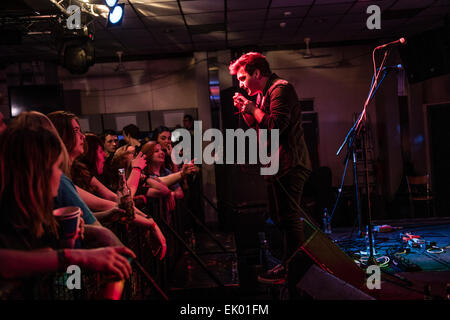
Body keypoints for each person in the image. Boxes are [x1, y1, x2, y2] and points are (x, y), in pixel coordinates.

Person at [0, 126, 136, 299]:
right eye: (57, 167)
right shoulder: (9, 222)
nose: (61, 176)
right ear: (36, 173)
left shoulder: (28, 217)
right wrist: (76, 256)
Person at [229, 52, 312, 288]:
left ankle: (297, 270)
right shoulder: (263, 95)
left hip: (290, 164)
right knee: (279, 218)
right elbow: (257, 124)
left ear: (257, 73)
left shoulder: (280, 89)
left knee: (289, 219)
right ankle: (289, 265)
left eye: (243, 78)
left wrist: (252, 107)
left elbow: (275, 125)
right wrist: (247, 109)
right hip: (276, 166)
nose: (241, 83)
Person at [47, 111, 166, 259]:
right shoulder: (63, 178)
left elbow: (111, 204)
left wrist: (149, 221)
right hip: (72, 263)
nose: (82, 136)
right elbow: (113, 204)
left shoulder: (66, 177)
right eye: (76, 131)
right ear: (60, 137)